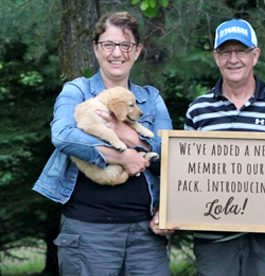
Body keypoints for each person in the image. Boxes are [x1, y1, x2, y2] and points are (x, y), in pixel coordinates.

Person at [34, 11, 173, 276]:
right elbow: (62, 135)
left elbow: (171, 158)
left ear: (137, 50)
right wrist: (122, 157)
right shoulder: (77, 91)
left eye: (125, 45)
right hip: (88, 231)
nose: (117, 53)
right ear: (96, 49)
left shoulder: (151, 99)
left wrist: (130, 136)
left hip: (146, 234)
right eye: (108, 44)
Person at [184, 19, 265, 276]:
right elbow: (186, 174)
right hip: (214, 238)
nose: (234, 59)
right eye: (225, 52)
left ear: (255, 55)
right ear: (216, 57)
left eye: (241, 51)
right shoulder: (198, 109)